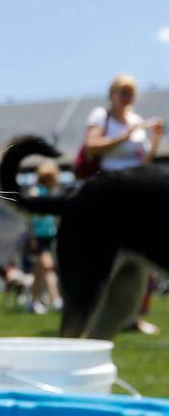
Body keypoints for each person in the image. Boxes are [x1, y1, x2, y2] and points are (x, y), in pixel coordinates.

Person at [82, 73, 164, 334]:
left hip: (136, 195)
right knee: (104, 259)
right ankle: (91, 310)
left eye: (131, 93)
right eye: (123, 92)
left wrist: (156, 141)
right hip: (108, 194)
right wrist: (127, 135)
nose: (127, 97)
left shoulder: (136, 120)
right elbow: (92, 147)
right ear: (112, 95)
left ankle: (134, 314)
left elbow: (144, 161)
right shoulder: (100, 117)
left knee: (144, 258)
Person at [25, 161, 63, 315]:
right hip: (38, 237)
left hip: (50, 236)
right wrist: (32, 237)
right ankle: (56, 300)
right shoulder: (36, 192)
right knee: (47, 266)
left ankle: (33, 302)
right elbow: (30, 218)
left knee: (40, 272)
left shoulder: (52, 193)